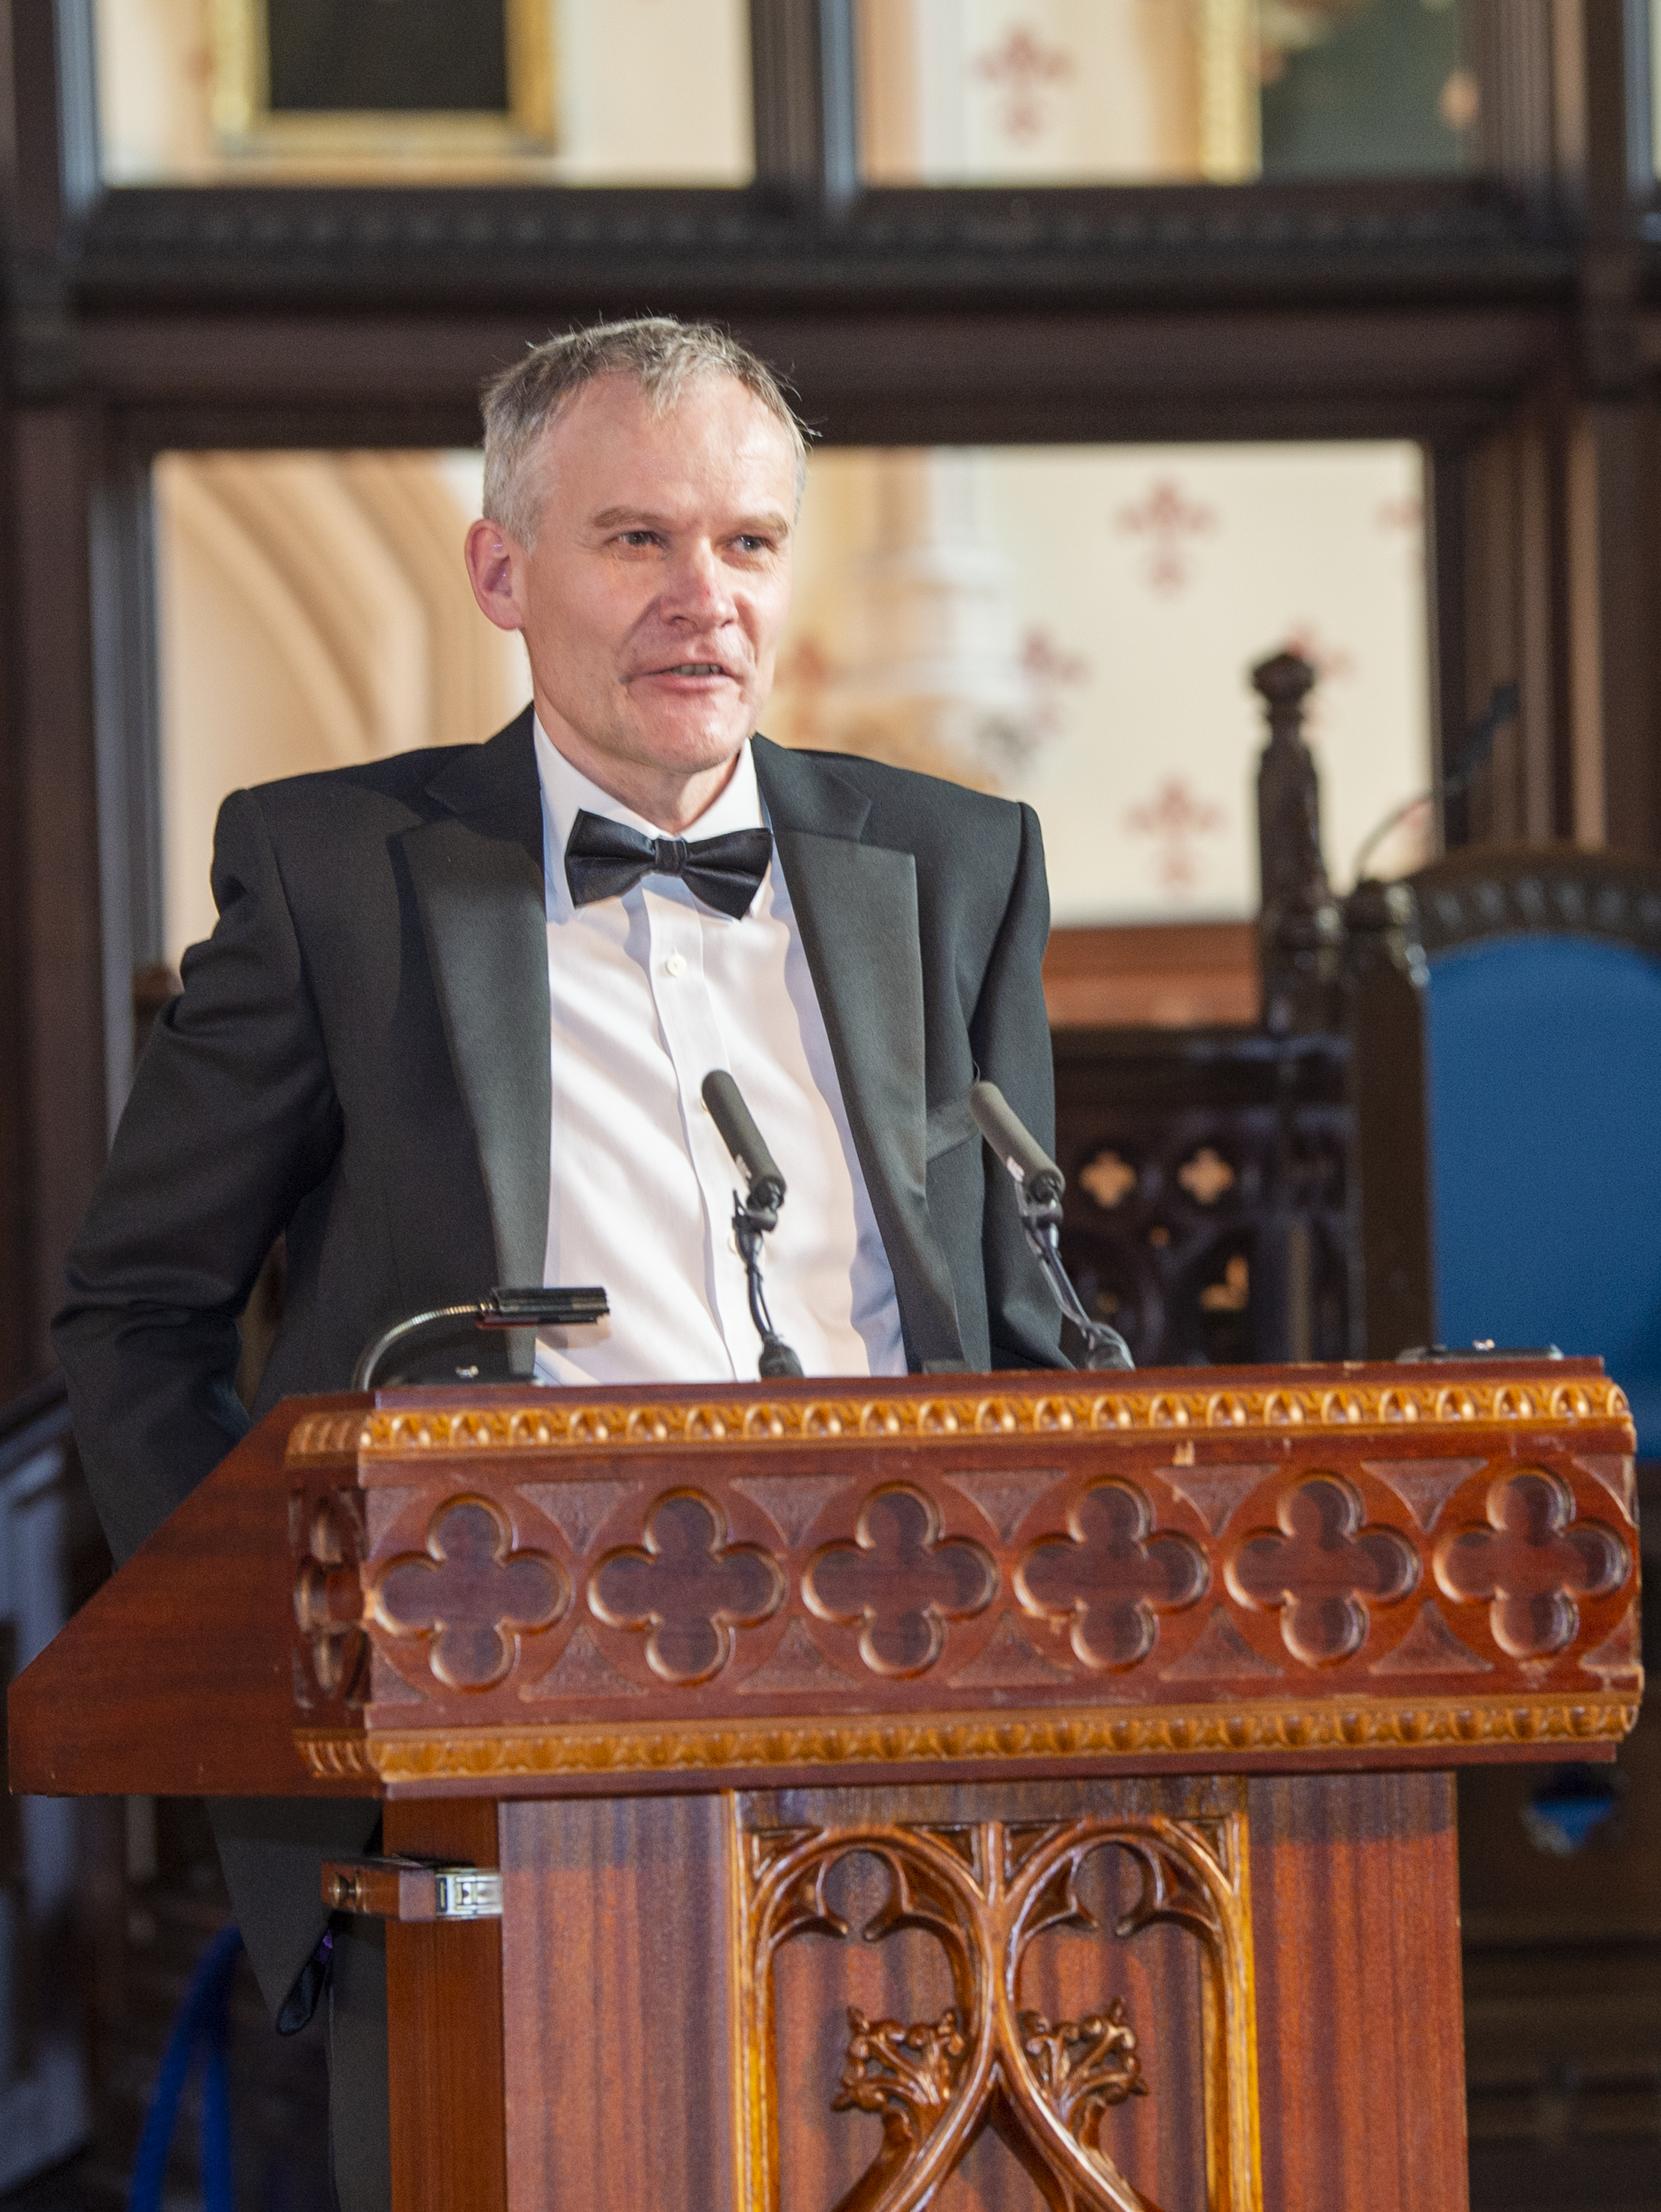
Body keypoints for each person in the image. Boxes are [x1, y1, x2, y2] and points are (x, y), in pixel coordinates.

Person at [53, 318, 1069, 2208]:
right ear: (503, 572)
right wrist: (279, 1644)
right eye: (640, 542)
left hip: (916, 1723)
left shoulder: (958, 862)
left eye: (750, 544)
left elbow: (1021, 1309)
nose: (708, 599)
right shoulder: (334, 871)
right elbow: (136, 1312)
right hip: (489, 1744)